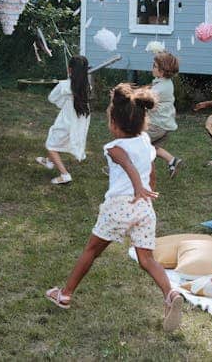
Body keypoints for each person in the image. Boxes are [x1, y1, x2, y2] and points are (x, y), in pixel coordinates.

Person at [44, 83, 184, 332]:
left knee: (91, 251)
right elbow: (150, 166)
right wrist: (147, 188)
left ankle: (64, 294)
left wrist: (138, 185)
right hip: (143, 208)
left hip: (120, 207)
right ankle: (170, 294)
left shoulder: (114, 147)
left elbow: (126, 162)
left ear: (115, 124)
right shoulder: (144, 141)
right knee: (147, 259)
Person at [36, 56, 91, 184]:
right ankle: (49, 161)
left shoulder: (64, 85)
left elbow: (51, 98)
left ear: (70, 69)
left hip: (67, 122)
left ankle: (65, 175)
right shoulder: (87, 87)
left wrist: (62, 101)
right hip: (80, 122)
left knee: (50, 144)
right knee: (57, 140)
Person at [147, 52, 183, 178]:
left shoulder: (161, 87)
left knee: (133, 142)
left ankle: (119, 168)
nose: (152, 67)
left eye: (154, 66)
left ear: (162, 71)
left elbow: (145, 99)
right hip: (163, 125)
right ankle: (172, 160)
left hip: (156, 126)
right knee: (149, 147)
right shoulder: (164, 83)